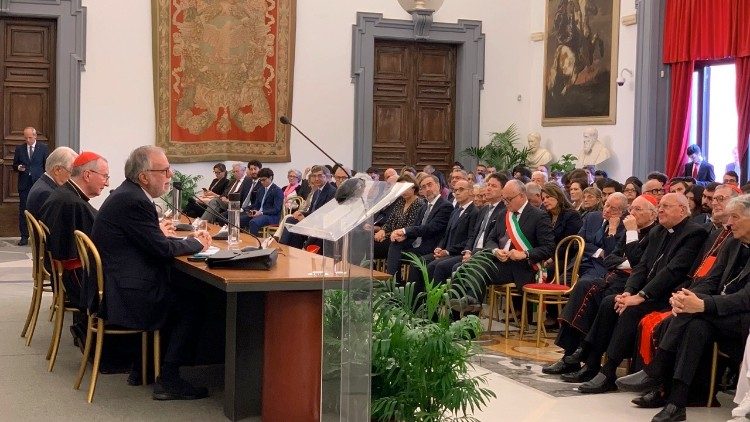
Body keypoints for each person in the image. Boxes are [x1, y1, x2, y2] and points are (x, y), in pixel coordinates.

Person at [91, 145, 212, 401]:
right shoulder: (133, 200)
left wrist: (177, 239)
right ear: (144, 176)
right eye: (165, 170)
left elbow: (152, 241)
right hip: (129, 292)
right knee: (195, 301)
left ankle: (143, 368)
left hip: (121, 282)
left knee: (188, 290)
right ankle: (168, 378)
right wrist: (197, 243)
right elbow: (160, 249)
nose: (170, 176)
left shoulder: (128, 194)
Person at [616, 195, 750, 422]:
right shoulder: (733, 242)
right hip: (720, 313)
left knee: (692, 317)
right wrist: (688, 297)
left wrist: (703, 304)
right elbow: (712, 279)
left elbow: (746, 298)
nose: (729, 223)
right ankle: (676, 402)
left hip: (743, 318)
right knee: (695, 325)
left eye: (735, 217)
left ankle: (656, 375)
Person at [569, 194, 705, 393]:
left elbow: (673, 271)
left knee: (632, 310)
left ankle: (608, 371)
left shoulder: (694, 233)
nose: (661, 210)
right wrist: (628, 291)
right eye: (660, 206)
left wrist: (641, 296)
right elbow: (641, 266)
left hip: (669, 294)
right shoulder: (659, 231)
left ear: (682, 210)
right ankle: (592, 363)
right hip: (647, 291)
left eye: (666, 206)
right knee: (610, 302)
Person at [543, 194, 659, 376]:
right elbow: (610, 258)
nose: (632, 213)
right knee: (583, 286)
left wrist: (630, 236)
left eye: (638, 209)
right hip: (616, 276)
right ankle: (569, 355)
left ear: (653, 214)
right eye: (632, 209)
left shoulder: (652, 232)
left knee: (598, 294)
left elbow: (639, 262)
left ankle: (586, 355)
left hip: (633, 284)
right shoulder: (629, 228)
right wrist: (624, 261)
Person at [39, 151, 110, 344]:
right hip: (78, 284)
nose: (107, 182)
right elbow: (104, 241)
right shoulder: (72, 203)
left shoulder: (65, 195)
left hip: (65, 278)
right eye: (105, 176)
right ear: (87, 175)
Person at [463, 179, 555, 299]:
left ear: (521, 196)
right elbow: (491, 240)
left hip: (524, 267)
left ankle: (471, 303)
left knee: (479, 267)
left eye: (508, 199)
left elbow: (549, 248)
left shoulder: (539, 216)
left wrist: (525, 254)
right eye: (503, 199)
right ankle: (466, 306)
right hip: (501, 262)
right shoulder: (503, 214)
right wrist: (496, 251)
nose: (505, 203)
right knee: (468, 265)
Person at [429, 173, 507, 285]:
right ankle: (432, 300)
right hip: (470, 252)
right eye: (488, 185)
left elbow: (493, 239)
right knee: (433, 264)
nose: (488, 188)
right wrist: (468, 250)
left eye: (493, 186)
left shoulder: (503, 211)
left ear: (503, 191)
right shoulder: (484, 210)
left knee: (444, 267)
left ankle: (451, 301)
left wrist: (468, 252)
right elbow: (474, 235)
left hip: (486, 254)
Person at [412, 179, 478, 291]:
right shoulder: (456, 211)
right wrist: (440, 247)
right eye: (455, 190)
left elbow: (470, 238)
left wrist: (447, 251)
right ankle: (416, 302)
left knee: (436, 266)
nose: (457, 192)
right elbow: (445, 234)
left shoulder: (474, 212)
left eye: (461, 189)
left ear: (471, 192)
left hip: (458, 253)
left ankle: (434, 304)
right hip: (447, 252)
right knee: (418, 262)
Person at [387, 174, 452, 279]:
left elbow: (431, 228)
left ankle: (406, 290)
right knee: (395, 244)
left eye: (430, 185)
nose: (427, 189)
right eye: (424, 187)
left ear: (438, 186)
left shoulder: (445, 206)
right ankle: (393, 283)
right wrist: (404, 236)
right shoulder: (424, 206)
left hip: (430, 247)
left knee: (415, 261)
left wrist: (405, 231)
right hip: (416, 244)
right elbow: (415, 226)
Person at [279, 165, 336, 248]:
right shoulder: (317, 191)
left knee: (292, 222)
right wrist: (301, 213)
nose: (316, 179)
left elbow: (326, 215)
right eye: (314, 176)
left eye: (320, 176)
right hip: (313, 221)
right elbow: (312, 211)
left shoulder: (332, 192)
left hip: (321, 225)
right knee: (291, 219)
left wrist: (306, 219)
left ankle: (284, 247)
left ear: (327, 177)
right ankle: (288, 249)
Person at [12, 126, 49, 245]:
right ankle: (24, 236)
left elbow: (46, 166)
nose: (27, 140)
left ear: (35, 136)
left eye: (30, 137)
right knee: (24, 210)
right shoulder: (20, 148)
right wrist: (18, 167)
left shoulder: (43, 148)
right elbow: (14, 165)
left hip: (39, 184)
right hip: (24, 184)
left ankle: (40, 236)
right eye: (26, 137)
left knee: (40, 209)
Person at [26, 146, 78, 218]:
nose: (73, 178)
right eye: (72, 172)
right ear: (57, 170)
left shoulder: (44, 184)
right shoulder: (46, 193)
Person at [239, 168, 283, 235]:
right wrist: (248, 210)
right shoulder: (260, 190)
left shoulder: (277, 190)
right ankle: (242, 240)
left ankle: (254, 243)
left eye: (264, 180)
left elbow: (276, 209)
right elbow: (256, 205)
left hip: (271, 216)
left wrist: (261, 213)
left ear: (270, 178)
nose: (262, 182)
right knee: (239, 219)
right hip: (259, 215)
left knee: (253, 222)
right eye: (260, 180)